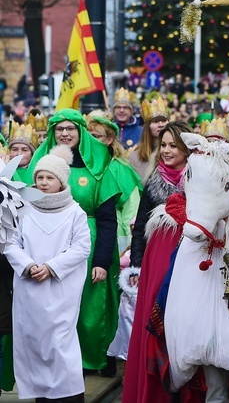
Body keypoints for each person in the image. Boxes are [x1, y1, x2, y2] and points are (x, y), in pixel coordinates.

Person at [28, 109, 122, 375]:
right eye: (59, 128)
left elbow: (106, 220)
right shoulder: (42, 165)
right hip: (52, 245)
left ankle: (96, 358)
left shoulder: (98, 166)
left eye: (70, 128)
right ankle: (63, 360)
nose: (65, 133)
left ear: (80, 131)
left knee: (92, 309)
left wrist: (102, 260)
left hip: (91, 244)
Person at [121, 121, 201, 403]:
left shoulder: (200, 181)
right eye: (163, 145)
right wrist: (138, 265)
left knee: (185, 325)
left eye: (173, 146)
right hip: (157, 261)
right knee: (155, 323)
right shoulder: (153, 181)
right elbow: (141, 227)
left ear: (187, 148)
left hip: (190, 258)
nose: (166, 151)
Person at [4, 145, 91, 402]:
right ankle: (40, 392)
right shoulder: (24, 208)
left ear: (61, 181)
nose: (43, 183)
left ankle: (69, 393)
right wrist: (29, 265)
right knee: (32, 340)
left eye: (49, 178)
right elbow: (9, 242)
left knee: (60, 340)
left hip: (60, 290)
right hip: (30, 288)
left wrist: (52, 267)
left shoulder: (75, 212)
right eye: (39, 177)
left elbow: (82, 247)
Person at [87, 113, 143, 254]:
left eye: (96, 136)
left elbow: (131, 211)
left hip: (114, 238)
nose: (90, 141)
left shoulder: (120, 169)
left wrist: (130, 247)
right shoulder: (80, 165)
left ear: (109, 140)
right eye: (88, 136)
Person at [128, 96, 169, 179]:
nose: (161, 125)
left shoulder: (178, 153)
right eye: (156, 121)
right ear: (147, 126)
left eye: (164, 121)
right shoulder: (135, 156)